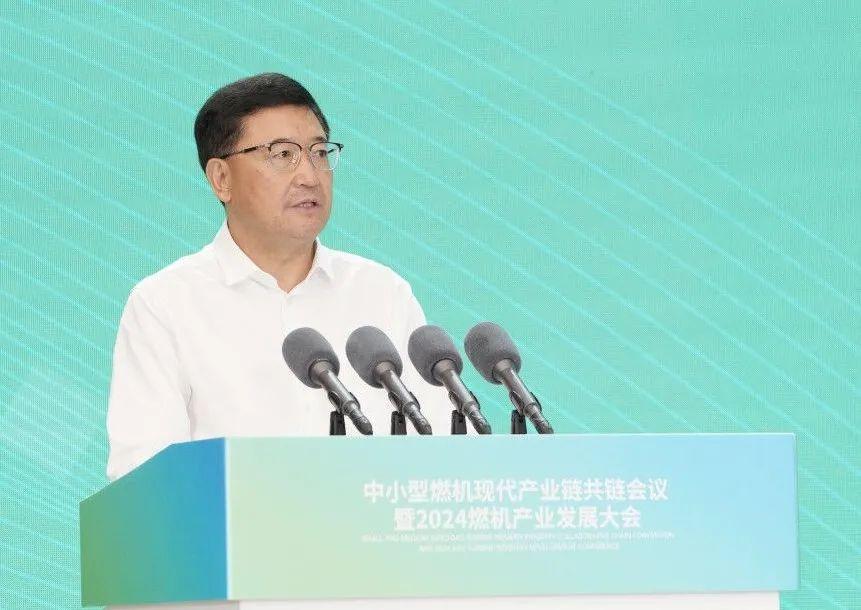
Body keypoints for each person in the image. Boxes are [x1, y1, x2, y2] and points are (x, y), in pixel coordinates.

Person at [105, 73, 453, 481]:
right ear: (221, 179)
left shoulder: (381, 292)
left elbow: (442, 449)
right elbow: (143, 477)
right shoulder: (165, 305)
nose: (310, 175)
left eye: (319, 153)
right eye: (283, 154)